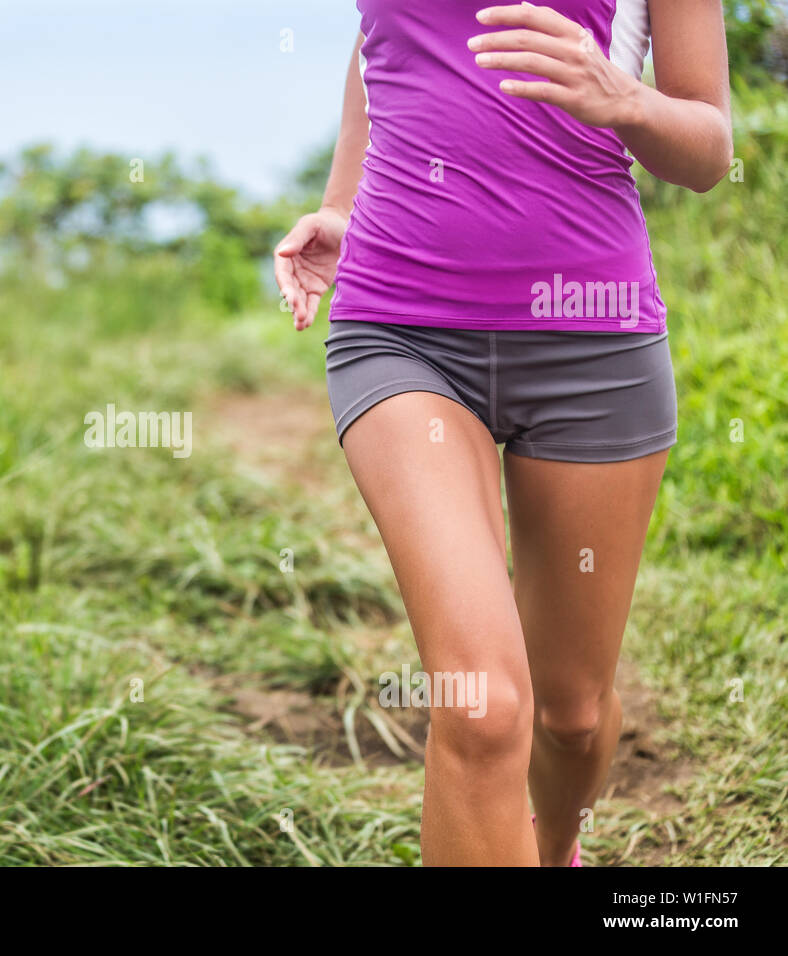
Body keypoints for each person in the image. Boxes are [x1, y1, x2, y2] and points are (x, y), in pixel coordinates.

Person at [273, 1, 732, 866]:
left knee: (573, 714)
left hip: (592, 335)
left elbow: (709, 149)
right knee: (481, 706)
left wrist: (622, 98)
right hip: (399, 325)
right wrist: (343, 202)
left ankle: (556, 844)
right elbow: (384, 39)